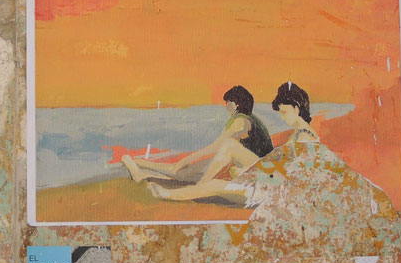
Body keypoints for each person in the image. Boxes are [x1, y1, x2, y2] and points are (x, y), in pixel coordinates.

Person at [129, 81, 318, 204]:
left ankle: (169, 194)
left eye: (284, 112)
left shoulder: (305, 137)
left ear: (296, 107)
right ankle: (175, 190)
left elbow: (292, 177)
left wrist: (247, 172)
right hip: (266, 181)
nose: (283, 118)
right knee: (217, 177)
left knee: (215, 184)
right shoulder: (301, 133)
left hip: (270, 191)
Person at [121, 85, 273, 200]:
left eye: (228, 101)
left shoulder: (240, 120)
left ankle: (198, 186)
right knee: (187, 171)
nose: (225, 105)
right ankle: (142, 168)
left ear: (237, 104)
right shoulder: (247, 120)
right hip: (252, 167)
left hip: (260, 170)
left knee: (192, 168)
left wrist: (188, 159)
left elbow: (217, 147)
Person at [271, 80, 320, 144]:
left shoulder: (304, 136)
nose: (283, 118)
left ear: (296, 109)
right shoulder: (299, 132)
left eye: (284, 112)